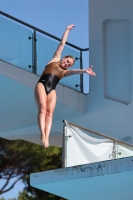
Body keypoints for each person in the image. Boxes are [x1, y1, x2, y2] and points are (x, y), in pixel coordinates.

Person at [34, 24, 96, 148]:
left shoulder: (64, 72)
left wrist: (85, 71)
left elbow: (73, 72)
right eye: (67, 61)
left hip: (52, 90)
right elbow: (62, 44)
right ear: (63, 58)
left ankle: (47, 136)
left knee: (50, 113)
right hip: (41, 84)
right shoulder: (55, 60)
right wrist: (67, 30)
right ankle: (43, 135)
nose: (67, 64)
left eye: (69, 64)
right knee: (42, 109)